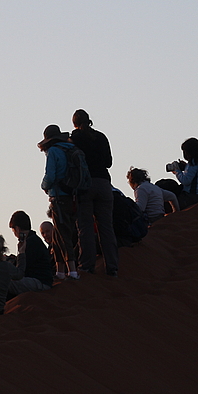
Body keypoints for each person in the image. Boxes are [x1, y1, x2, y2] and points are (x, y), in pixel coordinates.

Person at [70, 109, 119, 277]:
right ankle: (112, 267)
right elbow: (109, 162)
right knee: (106, 227)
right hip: (104, 183)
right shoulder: (101, 137)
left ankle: (86, 266)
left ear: (75, 124)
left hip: (85, 185)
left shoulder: (75, 138)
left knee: (85, 228)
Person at [38, 124, 80, 280]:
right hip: (72, 196)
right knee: (58, 235)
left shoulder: (53, 152)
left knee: (63, 234)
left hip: (58, 197)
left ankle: (72, 271)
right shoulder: (70, 149)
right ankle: (60, 271)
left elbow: (50, 176)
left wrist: (44, 186)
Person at [7, 210, 55, 299]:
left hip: (41, 282)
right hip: (40, 281)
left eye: (13, 230)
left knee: (5, 283)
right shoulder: (32, 240)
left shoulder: (31, 243)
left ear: (17, 229)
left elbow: (22, 269)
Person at [168, 137, 198, 209]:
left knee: (168, 189)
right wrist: (186, 167)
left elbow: (186, 181)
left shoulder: (194, 162)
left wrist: (177, 171)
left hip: (194, 196)